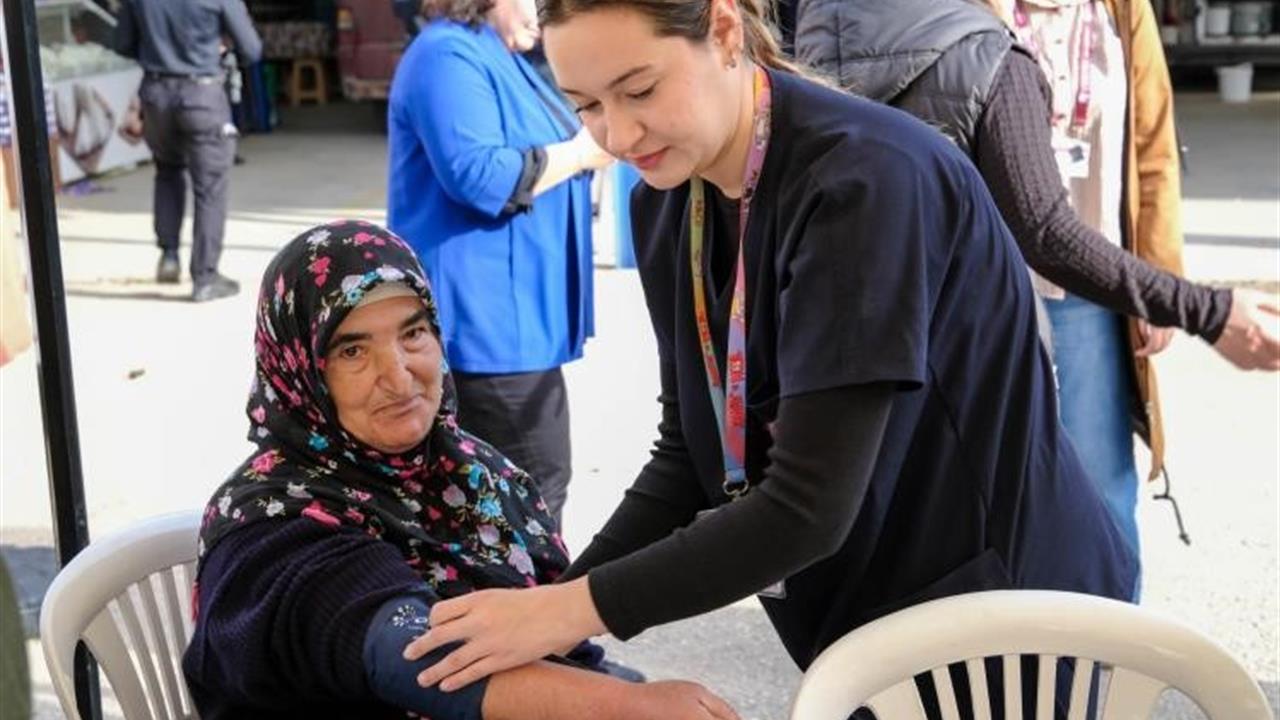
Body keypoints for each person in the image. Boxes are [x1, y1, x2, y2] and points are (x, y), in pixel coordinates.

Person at [399, 0, 1139, 696]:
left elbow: (808, 507)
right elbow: (688, 456)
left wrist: (568, 614)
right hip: (867, 619)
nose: (618, 137)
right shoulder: (666, 203)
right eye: (587, 106)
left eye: (640, 90)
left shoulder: (865, 179)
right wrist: (552, 605)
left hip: (1002, 611)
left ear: (723, 30)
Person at [181, 220, 739, 720]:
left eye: (413, 333)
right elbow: (407, 651)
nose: (399, 377)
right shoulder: (273, 521)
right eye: (352, 351)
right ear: (301, 370)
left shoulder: (472, 477)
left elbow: (560, 644)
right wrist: (630, 705)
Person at [792, 0, 1280, 571]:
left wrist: (1158, 273)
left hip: (1097, 281)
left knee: (1098, 488)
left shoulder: (1122, 11)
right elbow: (1042, 225)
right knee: (998, 496)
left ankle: (1094, 638)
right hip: (1003, 286)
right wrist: (1207, 311)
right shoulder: (974, 29)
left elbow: (1152, 145)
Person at [387, 0, 613, 527]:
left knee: (515, 495)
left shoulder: (498, 52)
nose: (544, 9)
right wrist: (581, 154)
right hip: (487, 326)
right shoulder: (447, 54)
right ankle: (526, 606)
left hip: (513, 317)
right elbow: (479, 175)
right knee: (529, 494)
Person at [113, 0, 261, 302]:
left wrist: (158, 49)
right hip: (202, 94)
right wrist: (217, 48)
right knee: (210, 189)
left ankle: (168, 256)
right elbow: (252, 49)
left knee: (167, 170)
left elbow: (122, 43)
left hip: (156, 96)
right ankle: (205, 277)